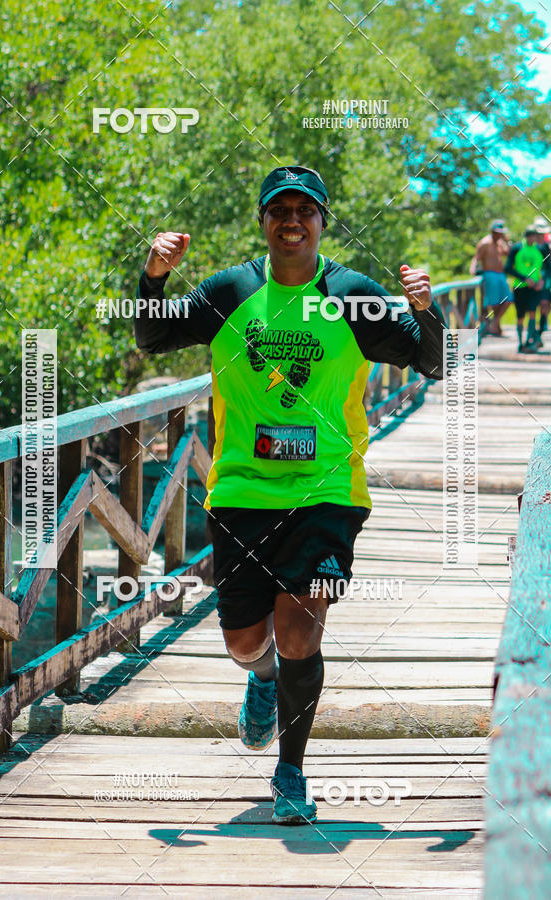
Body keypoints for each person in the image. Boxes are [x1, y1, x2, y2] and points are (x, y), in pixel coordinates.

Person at [134, 165, 445, 825]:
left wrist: (427, 310)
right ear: (264, 222)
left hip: (327, 489)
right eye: (280, 210)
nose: (293, 220)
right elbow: (154, 335)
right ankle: (262, 679)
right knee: (247, 643)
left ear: (322, 221)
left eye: (306, 210)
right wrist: (154, 276)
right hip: (243, 490)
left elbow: (431, 361)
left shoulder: (353, 295)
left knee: (301, 626)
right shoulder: (230, 289)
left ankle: (292, 771)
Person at [505, 225, 547, 353]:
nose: (532, 238)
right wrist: (524, 279)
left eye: (534, 236)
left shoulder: (540, 249)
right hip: (520, 286)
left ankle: (530, 342)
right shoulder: (517, 248)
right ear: (526, 236)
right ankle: (520, 342)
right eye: (529, 236)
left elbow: (547, 267)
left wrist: (542, 280)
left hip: (534, 288)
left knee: (533, 312)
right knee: (520, 316)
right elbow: (508, 268)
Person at [470, 220, 511, 335]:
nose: (499, 234)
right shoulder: (485, 242)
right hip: (489, 274)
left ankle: (495, 323)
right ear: (492, 231)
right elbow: (476, 257)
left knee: (508, 299)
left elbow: (509, 254)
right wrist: (473, 268)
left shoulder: (500, 243)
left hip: (501, 275)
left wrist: (506, 241)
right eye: (497, 232)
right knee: (495, 302)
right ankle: (494, 326)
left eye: (501, 233)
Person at [534, 217, 551, 342]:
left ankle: (540, 329)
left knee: (545, 304)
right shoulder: (530, 246)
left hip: (545, 280)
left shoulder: (546, 247)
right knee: (533, 307)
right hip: (533, 280)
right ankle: (532, 334)